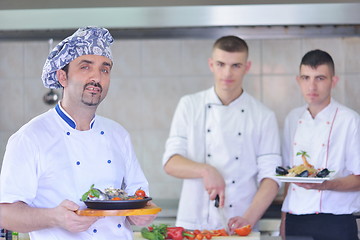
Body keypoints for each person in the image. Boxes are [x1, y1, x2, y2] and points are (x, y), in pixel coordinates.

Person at [0, 26, 157, 240]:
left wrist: (142, 214)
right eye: (85, 67)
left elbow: (140, 200)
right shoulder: (30, 138)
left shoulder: (118, 135)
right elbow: (5, 214)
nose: (97, 77)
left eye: (105, 69)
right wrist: (55, 218)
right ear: (62, 77)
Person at [162, 35, 282, 232]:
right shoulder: (189, 105)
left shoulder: (263, 116)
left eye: (236, 65)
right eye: (221, 64)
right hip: (194, 226)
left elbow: (271, 177)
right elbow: (170, 163)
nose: (227, 72)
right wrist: (206, 170)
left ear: (247, 67)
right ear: (211, 64)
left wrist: (247, 219)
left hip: (241, 225)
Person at [280, 49, 360, 240]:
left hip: (337, 222)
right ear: (298, 80)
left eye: (320, 78)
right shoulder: (293, 118)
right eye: (306, 78)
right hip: (296, 220)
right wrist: (284, 219)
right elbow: (287, 177)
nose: (312, 86)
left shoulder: (350, 120)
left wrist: (326, 185)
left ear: (334, 81)